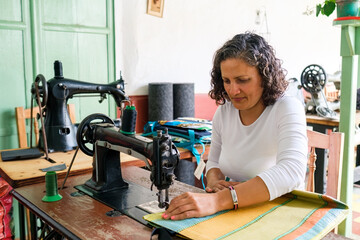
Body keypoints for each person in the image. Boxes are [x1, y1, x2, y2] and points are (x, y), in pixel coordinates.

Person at [162, 32, 308, 221]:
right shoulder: (224, 113)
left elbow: (292, 171)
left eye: (242, 80)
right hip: (239, 211)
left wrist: (219, 201)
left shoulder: (286, 108)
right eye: (227, 81)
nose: (232, 90)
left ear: (265, 77)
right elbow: (213, 162)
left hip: (281, 213)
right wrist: (215, 181)